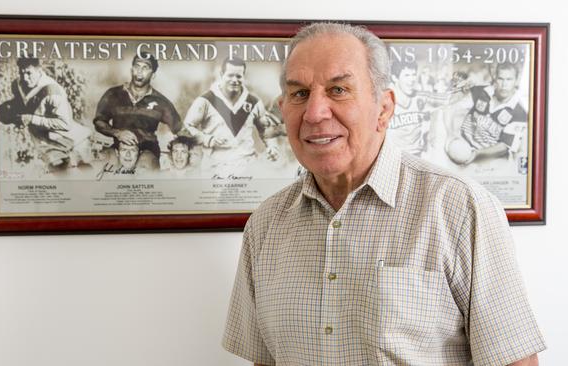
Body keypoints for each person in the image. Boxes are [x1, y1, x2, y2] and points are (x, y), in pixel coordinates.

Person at [222, 23, 545, 366]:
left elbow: (514, 361)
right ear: (283, 107)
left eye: (339, 90)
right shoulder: (266, 224)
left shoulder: (460, 209)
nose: (315, 113)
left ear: (384, 108)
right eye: (299, 94)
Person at [182, 57, 280, 174]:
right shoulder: (205, 100)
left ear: (244, 76)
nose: (234, 80)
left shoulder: (253, 102)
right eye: (230, 75)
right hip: (214, 169)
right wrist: (207, 139)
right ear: (221, 74)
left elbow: (266, 129)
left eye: (239, 76)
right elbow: (186, 127)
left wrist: (273, 147)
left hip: (247, 169)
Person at [0, 56, 92, 171]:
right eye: (21, 73)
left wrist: (31, 119)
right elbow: (23, 103)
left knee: (85, 178)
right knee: (60, 178)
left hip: (74, 142)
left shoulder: (53, 91)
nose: (25, 78)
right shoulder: (17, 85)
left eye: (29, 73)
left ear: (39, 71)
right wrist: (10, 113)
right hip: (47, 145)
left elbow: (65, 124)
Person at [93, 52, 182, 169]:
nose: (140, 71)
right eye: (137, 66)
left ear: (153, 75)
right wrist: (118, 133)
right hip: (119, 149)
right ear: (131, 70)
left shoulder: (161, 102)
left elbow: (179, 130)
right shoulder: (113, 94)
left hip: (147, 150)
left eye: (145, 68)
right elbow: (99, 122)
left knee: (144, 167)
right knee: (102, 164)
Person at [452, 62, 528, 165]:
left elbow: (504, 146)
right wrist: (452, 133)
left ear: (516, 81)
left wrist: (476, 154)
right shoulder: (480, 91)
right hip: (462, 146)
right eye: (501, 79)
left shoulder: (520, 113)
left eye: (509, 79)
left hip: (489, 161)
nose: (504, 85)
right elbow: (455, 110)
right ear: (495, 78)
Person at [387, 60, 433, 157]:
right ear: (395, 78)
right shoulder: (384, 101)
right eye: (407, 75)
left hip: (417, 155)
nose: (412, 79)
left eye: (414, 74)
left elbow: (444, 100)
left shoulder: (420, 97)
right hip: (394, 155)